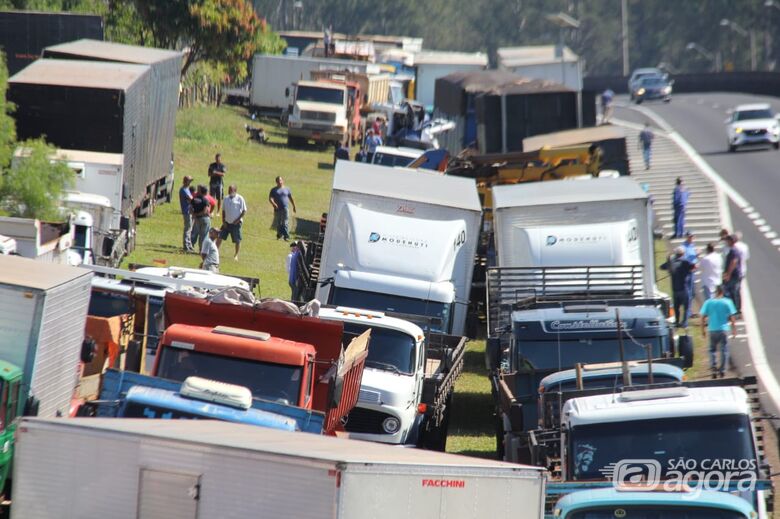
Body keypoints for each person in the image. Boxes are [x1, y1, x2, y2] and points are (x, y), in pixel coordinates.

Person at [700, 285, 737, 379]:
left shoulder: (708, 302)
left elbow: (702, 317)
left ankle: (713, 368)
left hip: (712, 329)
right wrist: (734, 330)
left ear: (715, 292)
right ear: (723, 292)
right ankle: (722, 370)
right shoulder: (727, 302)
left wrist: (703, 330)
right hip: (724, 330)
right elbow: (732, 318)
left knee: (712, 350)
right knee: (724, 350)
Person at [661, 246, 696, 328]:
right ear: (683, 253)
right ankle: (684, 323)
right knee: (686, 307)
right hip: (684, 288)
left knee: (676, 307)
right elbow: (694, 266)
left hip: (675, 289)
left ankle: (677, 321)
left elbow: (662, 267)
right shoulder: (685, 262)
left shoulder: (672, 262)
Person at [218, 184, 247, 261]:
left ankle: (236, 255)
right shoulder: (226, 199)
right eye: (228, 190)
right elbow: (223, 211)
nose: (229, 191)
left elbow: (244, 211)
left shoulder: (240, 198)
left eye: (231, 190)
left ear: (235, 190)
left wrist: (237, 220)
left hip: (236, 224)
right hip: (226, 223)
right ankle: (216, 252)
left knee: (237, 240)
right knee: (219, 236)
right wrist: (223, 221)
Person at [269, 176, 296, 241]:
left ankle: (286, 236)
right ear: (276, 182)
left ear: (283, 181)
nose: (279, 182)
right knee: (278, 222)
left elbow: (291, 198)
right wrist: (274, 204)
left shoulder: (287, 189)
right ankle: (279, 235)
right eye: (278, 181)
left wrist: (294, 206)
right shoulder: (273, 190)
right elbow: (270, 198)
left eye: (280, 180)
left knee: (285, 222)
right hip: (277, 209)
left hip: (285, 208)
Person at [722, 234, 743, 315]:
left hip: (734, 275)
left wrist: (728, 274)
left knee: (732, 292)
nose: (727, 242)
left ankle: (735, 311)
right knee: (734, 292)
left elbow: (734, 262)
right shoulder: (733, 250)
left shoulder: (733, 250)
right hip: (734, 275)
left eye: (728, 240)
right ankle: (735, 310)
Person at [190, 185, 211, 249]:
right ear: (205, 192)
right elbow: (205, 211)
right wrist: (199, 214)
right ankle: (202, 249)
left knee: (194, 233)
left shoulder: (194, 199)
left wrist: (194, 214)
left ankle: (191, 245)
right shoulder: (205, 200)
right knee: (204, 235)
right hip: (204, 219)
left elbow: (190, 208)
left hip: (197, 219)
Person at [179, 175, 194, 252]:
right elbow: (191, 199)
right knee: (187, 229)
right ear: (186, 181)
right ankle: (186, 246)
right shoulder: (183, 190)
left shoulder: (187, 189)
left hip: (189, 211)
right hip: (186, 212)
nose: (190, 183)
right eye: (189, 181)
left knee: (190, 228)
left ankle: (189, 245)